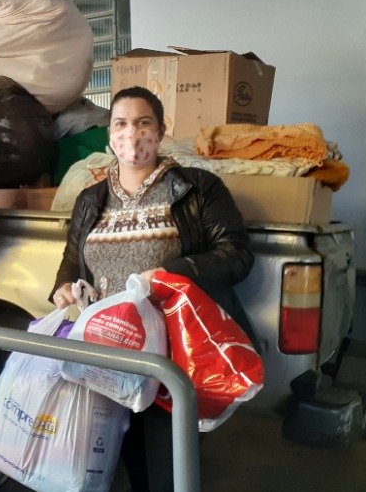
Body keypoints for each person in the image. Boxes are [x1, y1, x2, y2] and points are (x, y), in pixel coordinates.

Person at [49, 86, 255, 492]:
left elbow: (236, 255)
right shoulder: (92, 199)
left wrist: (169, 273)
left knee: (169, 465)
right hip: (109, 351)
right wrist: (62, 289)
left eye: (143, 124)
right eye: (121, 125)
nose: (132, 135)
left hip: (172, 354)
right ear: (110, 136)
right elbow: (73, 259)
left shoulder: (196, 187)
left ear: (161, 132)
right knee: (121, 459)